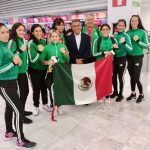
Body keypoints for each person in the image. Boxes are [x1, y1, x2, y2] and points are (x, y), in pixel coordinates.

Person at [0, 22, 36, 149]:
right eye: (2, 32)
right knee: (19, 110)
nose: (5, 34)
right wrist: (13, 64)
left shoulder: (5, 46)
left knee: (10, 108)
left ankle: (9, 132)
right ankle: (20, 140)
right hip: (5, 84)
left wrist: (16, 56)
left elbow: (11, 57)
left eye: (6, 32)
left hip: (12, 80)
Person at [39, 29, 69, 112]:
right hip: (50, 71)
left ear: (59, 37)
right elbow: (41, 60)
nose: (54, 38)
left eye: (56, 36)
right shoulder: (47, 48)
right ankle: (53, 105)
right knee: (51, 88)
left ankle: (59, 105)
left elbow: (68, 60)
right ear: (50, 37)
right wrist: (47, 62)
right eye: (52, 36)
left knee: (60, 88)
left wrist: (64, 53)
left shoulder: (63, 46)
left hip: (61, 71)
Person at [9, 22, 32, 124]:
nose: (22, 32)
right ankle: (20, 115)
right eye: (19, 30)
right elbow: (11, 56)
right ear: (14, 30)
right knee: (23, 92)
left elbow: (23, 56)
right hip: (17, 72)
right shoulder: (13, 41)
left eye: (23, 30)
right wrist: (20, 50)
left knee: (25, 91)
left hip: (23, 70)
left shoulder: (22, 40)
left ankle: (21, 110)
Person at [28, 24, 50, 116]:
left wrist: (48, 61)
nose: (38, 33)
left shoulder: (43, 41)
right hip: (34, 70)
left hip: (44, 69)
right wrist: (38, 51)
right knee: (36, 89)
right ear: (32, 33)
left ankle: (45, 104)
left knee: (44, 88)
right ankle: (36, 106)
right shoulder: (31, 43)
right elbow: (32, 59)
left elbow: (45, 55)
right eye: (36, 31)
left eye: (40, 31)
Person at [126, 15, 149, 103]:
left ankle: (141, 94)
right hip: (129, 57)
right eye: (132, 21)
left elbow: (146, 45)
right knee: (132, 77)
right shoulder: (128, 32)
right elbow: (126, 46)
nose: (134, 22)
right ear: (130, 22)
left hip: (138, 57)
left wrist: (138, 41)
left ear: (138, 22)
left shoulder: (142, 32)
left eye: (136, 21)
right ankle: (133, 93)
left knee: (136, 77)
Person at [110, 19, 132, 102]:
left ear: (125, 27)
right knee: (113, 76)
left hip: (123, 59)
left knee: (120, 77)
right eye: (119, 25)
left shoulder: (126, 36)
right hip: (114, 59)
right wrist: (111, 40)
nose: (121, 27)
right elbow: (111, 47)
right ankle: (115, 92)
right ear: (117, 26)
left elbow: (130, 49)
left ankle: (120, 94)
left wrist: (124, 43)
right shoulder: (114, 35)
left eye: (123, 25)